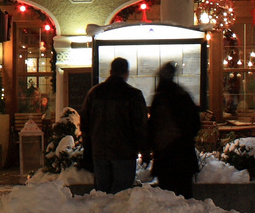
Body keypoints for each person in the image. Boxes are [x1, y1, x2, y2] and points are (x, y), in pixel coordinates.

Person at [80, 56, 148, 193]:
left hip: (100, 152)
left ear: (111, 71)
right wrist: (145, 151)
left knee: (102, 196)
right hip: (124, 153)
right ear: (126, 73)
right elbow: (140, 126)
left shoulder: (94, 93)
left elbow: (85, 124)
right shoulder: (133, 95)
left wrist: (88, 149)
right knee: (121, 197)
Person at [148, 61, 201, 198]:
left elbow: (153, 127)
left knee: (168, 197)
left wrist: (149, 148)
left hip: (165, 156)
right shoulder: (183, 94)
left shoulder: (159, 98)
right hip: (184, 154)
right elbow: (196, 123)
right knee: (185, 195)